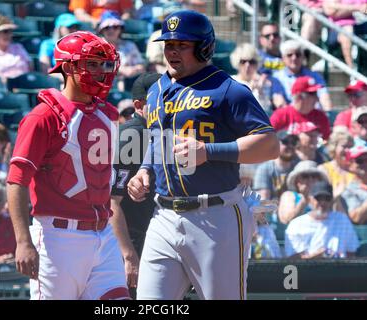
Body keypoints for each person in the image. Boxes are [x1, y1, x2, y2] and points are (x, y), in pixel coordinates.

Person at [127, 10, 280, 300]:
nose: (172, 51)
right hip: (163, 216)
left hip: (216, 215)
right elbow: (157, 136)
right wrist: (145, 169)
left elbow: (269, 144)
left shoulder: (228, 89)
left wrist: (208, 151)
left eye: (182, 45)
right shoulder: (157, 89)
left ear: (204, 47)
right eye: (169, 44)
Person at [6, 31, 130, 300]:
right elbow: (17, 181)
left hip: (103, 233)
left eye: (104, 64)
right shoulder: (43, 117)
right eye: (92, 64)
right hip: (58, 239)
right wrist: (23, 241)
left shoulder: (106, 114)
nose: (100, 71)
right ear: (69, 67)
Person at [111, 72, 161, 298]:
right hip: (131, 240)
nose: (166, 105)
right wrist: (129, 255)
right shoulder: (133, 134)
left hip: (150, 238)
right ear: (139, 105)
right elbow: (111, 202)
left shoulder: (158, 133)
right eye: (159, 100)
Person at [285, 181, 360, 258]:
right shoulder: (296, 225)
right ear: (310, 199)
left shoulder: (342, 220)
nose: (323, 202)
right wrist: (317, 255)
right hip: (307, 269)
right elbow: (293, 260)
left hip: (338, 268)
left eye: (327, 198)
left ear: (331, 200)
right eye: (318, 198)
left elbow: (351, 253)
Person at [272, 40, 333, 111]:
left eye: (298, 54)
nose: (294, 58)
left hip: (314, 115)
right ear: (283, 58)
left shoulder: (315, 76)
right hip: (290, 117)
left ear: (303, 57)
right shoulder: (276, 77)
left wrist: (328, 113)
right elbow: (279, 102)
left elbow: (325, 98)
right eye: (289, 55)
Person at [230, 43, 287, 112]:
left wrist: (261, 92)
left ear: (257, 64)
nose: (247, 65)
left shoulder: (265, 83)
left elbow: (265, 111)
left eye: (252, 62)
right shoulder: (231, 82)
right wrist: (249, 91)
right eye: (243, 61)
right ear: (237, 63)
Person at [270, 76, 331, 140]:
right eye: (312, 93)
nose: (317, 98)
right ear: (299, 97)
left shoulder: (320, 116)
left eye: (316, 93)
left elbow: (326, 140)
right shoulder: (281, 115)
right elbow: (267, 138)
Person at [97, 11, 146, 91]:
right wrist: (121, 70)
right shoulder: (97, 46)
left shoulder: (129, 45)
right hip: (103, 87)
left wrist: (133, 70)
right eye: (107, 28)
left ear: (121, 29)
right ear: (101, 30)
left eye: (115, 27)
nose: (111, 30)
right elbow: (97, 66)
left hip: (129, 85)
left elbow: (141, 66)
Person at [278, 160, 329, 224]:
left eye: (314, 176)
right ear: (296, 181)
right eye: (305, 176)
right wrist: (304, 200)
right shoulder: (289, 195)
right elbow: (286, 220)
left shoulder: (325, 198)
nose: (310, 179)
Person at [253, 131, 299, 201]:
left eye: (293, 143)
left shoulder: (298, 168)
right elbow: (263, 200)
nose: (290, 146)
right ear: (276, 144)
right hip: (272, 210)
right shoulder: (265, 168)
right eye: (285, 142)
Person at [323, 0, 367, 68]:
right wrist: (356, 8)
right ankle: (351, 70)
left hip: (361, 27)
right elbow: (330, 11)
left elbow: (365, 9)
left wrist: (343, 9)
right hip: (337, 29)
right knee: (347, 31)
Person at [318, 129, 355, 198]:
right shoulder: (324, 169)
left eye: (350, 147)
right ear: (334, 147)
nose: (348, 150)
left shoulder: (356, 169)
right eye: (344, 146)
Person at [341, 144, 367, 224]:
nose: (365, 164)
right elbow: (356, 218)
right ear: (349, 165)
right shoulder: (347, 188)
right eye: (359, 161)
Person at [69, 0, 133, 27]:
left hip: (115, 25)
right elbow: (79, 13)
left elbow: (127, 13)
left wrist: (117, 23)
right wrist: (95, 21)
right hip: (93, 25)